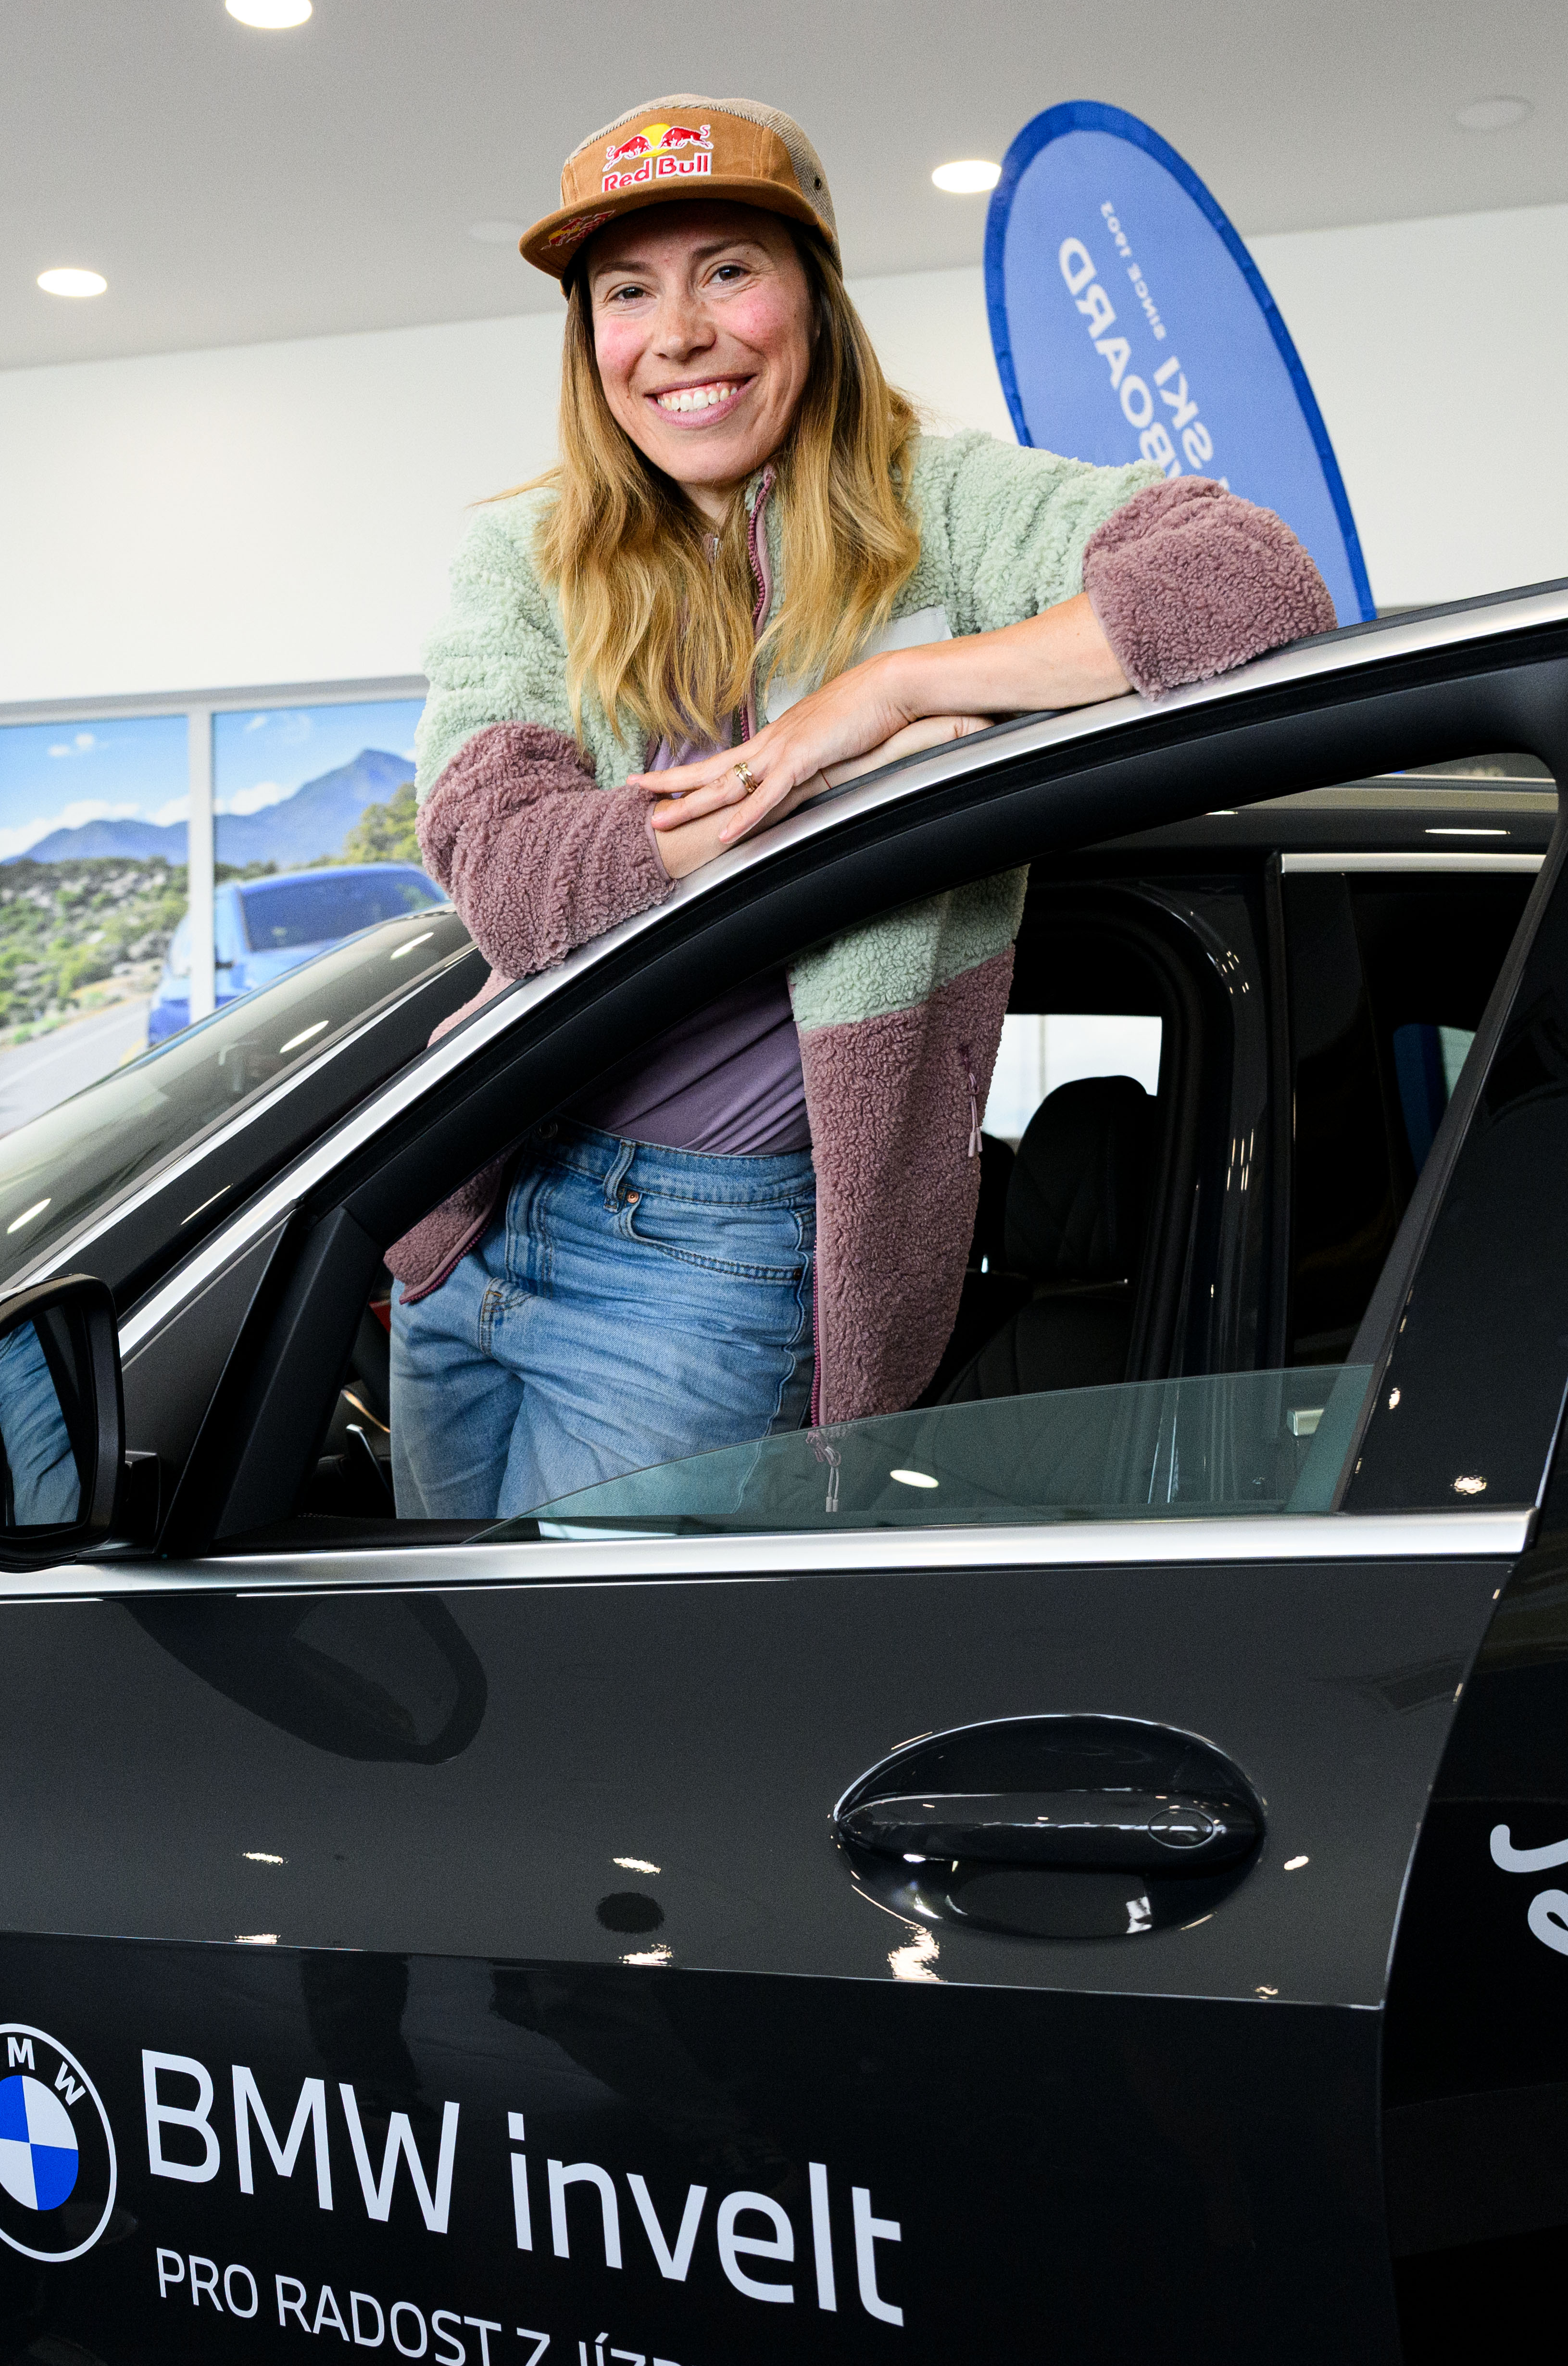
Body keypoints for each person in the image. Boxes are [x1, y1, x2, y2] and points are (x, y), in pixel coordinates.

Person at [387, 92, 1333, 1519]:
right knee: (442, 1655)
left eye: (727, 271)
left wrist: (889, 693)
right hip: (473, 1208)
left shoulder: (939, 506)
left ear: (815, 299)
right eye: (627, 292)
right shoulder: (527, 554)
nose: (678, 334)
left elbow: (1252, 583)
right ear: (590, 341)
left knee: (582, 1668)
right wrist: (841, 785)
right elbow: (508, 872)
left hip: (714, 1256)